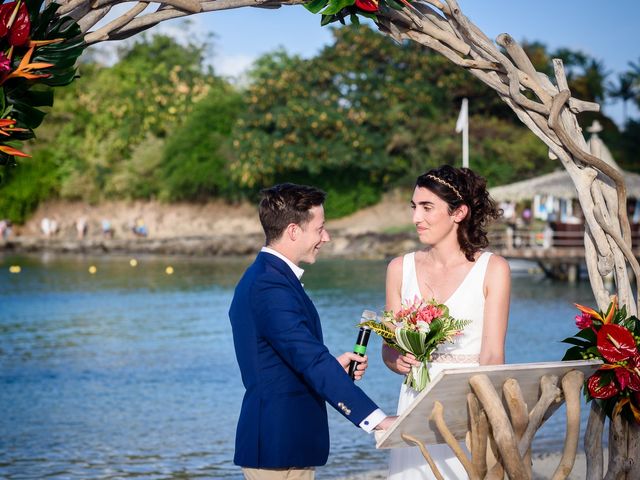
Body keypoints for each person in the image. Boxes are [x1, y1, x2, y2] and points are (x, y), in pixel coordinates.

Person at [229, 183, 395, 480]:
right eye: (320, 229)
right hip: (276, 450)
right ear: (294, 231)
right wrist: (378, 420)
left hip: (288, 447)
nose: (326, 237)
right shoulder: (270, 285)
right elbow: (311, 360)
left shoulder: (270, 278)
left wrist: (333, 368)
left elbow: (294, 359)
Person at [384, 166, 511, 480]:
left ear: (459, 213)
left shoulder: (493, 269)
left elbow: (493, 356)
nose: (416, 217)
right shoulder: (399, 268)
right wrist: (397, 360)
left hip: (468, 401)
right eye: (414, 207)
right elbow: (388, 350)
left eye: (427, 208)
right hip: (414, 401)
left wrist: (485, 419)